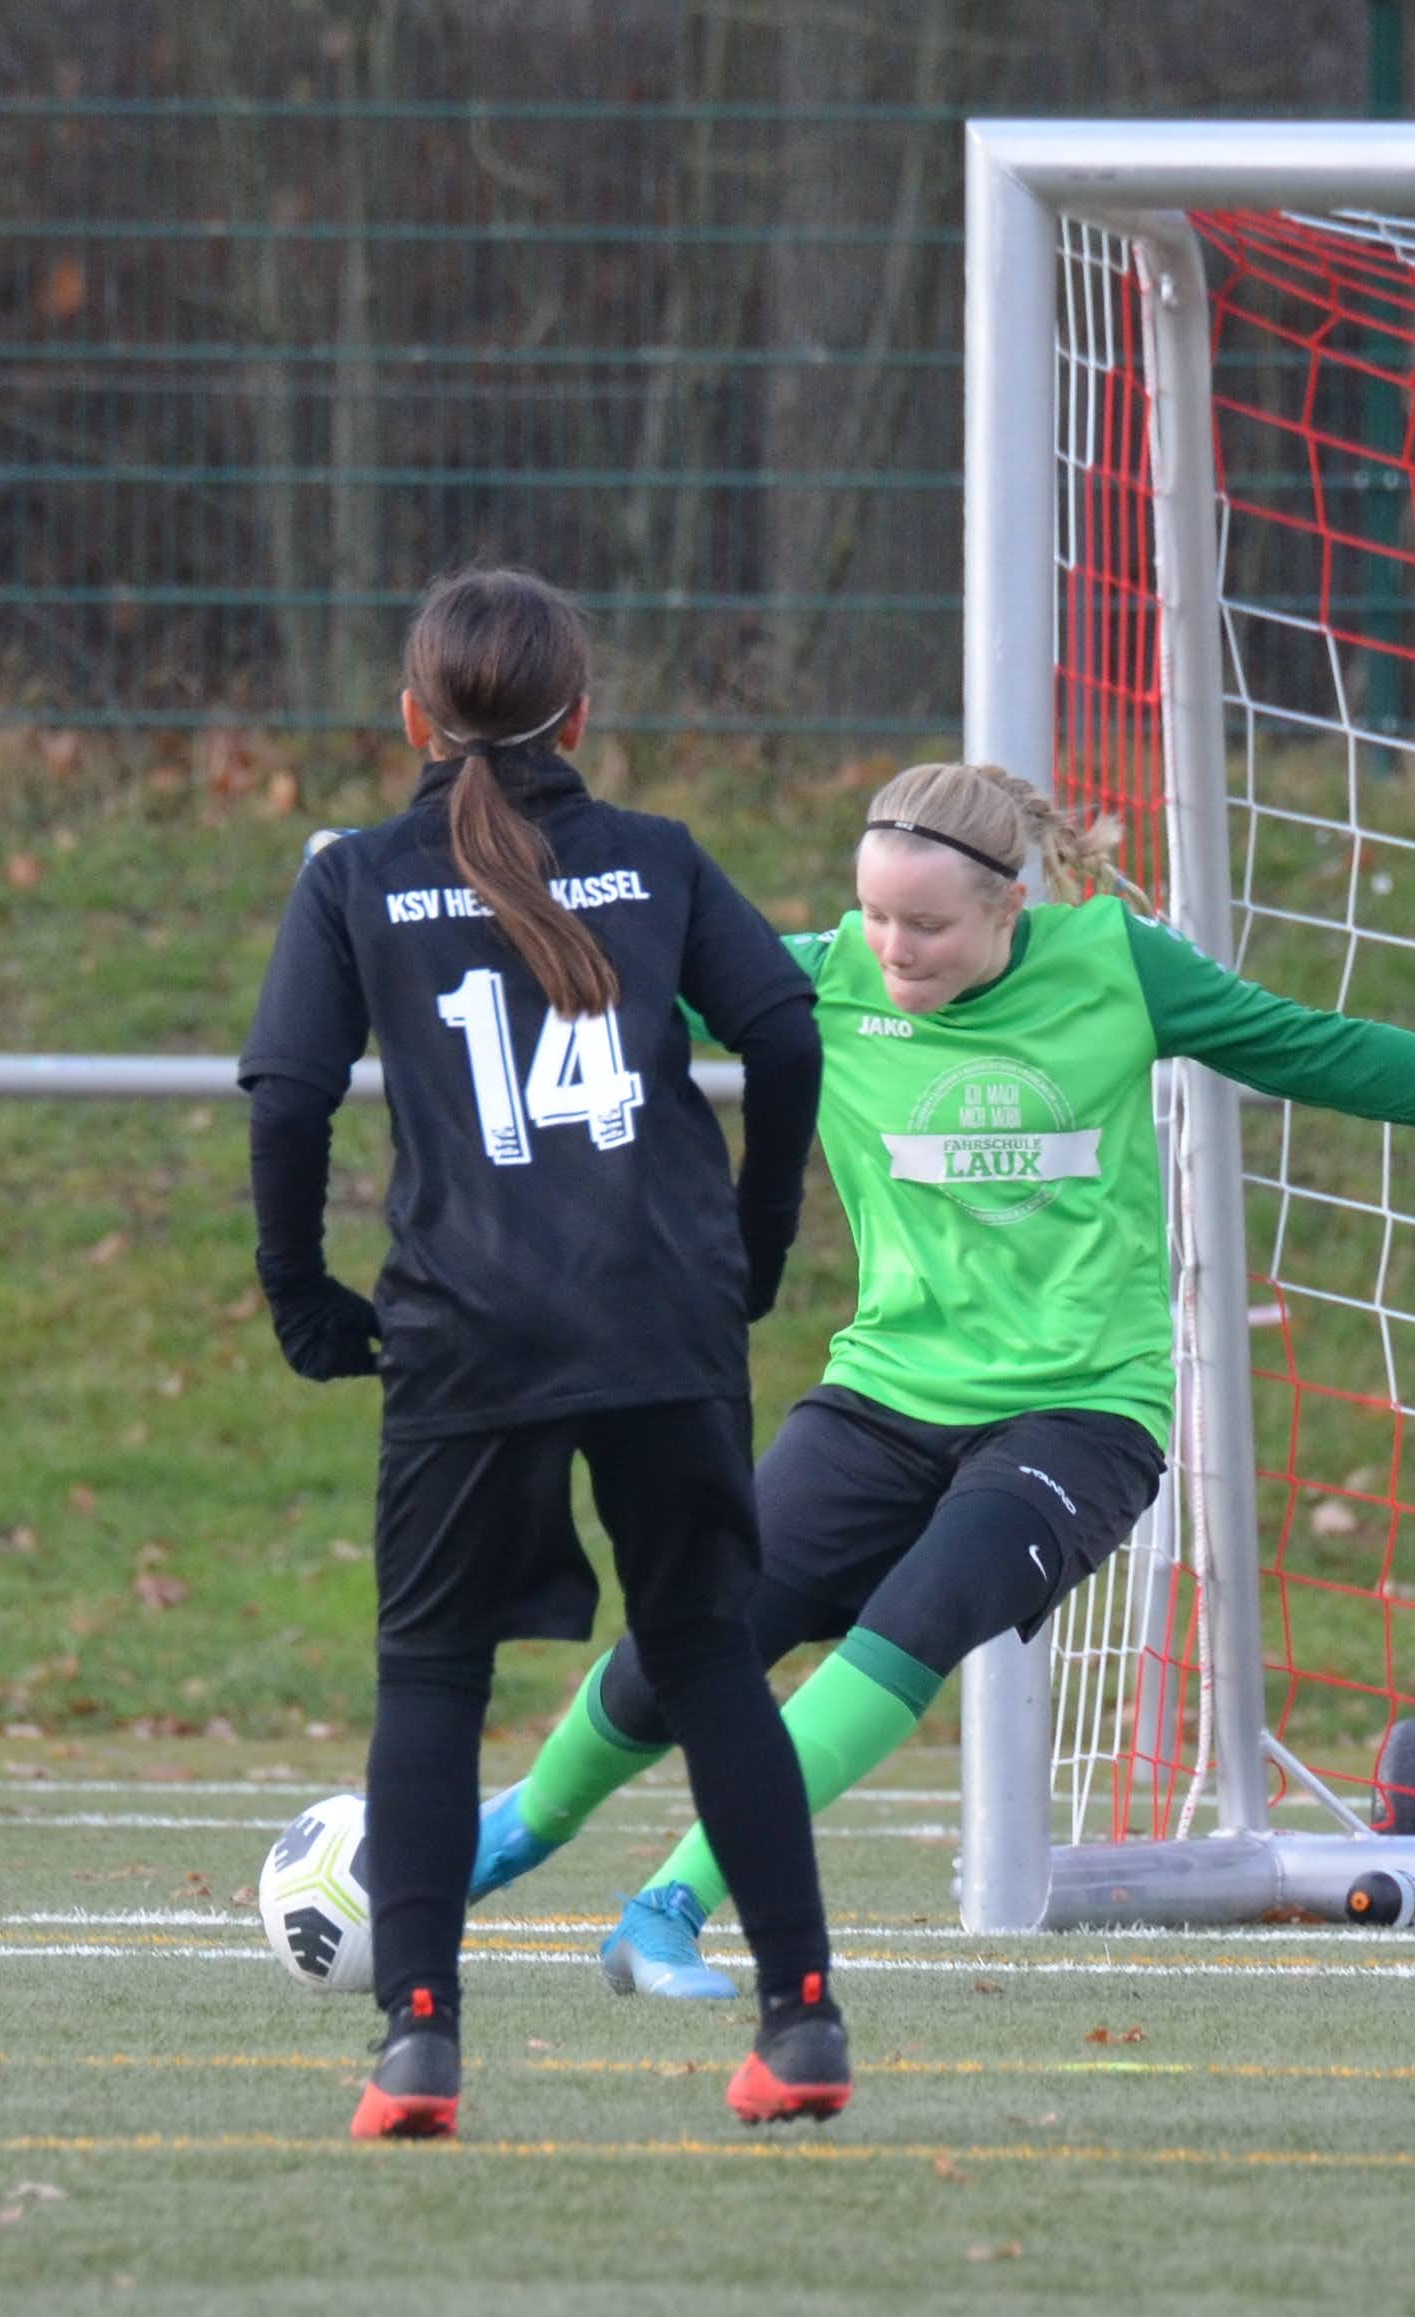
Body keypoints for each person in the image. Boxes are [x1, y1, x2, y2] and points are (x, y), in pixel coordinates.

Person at [474, 760, 1415, 1997]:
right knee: (691, 1638)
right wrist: (425, 913)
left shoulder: (1116, 962)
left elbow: (1317, 1051)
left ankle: (666, 1908)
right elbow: (600, 977)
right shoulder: (821, 977)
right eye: (877, 918)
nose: (892, 947)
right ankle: (496, 1840)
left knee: (908, 1632)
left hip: (1079, 1418)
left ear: (1010, 905)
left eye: (928, 925)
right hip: (882, 1398)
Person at [238, 569, 848, 2133]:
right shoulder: (654, 860)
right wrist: (754, 1246)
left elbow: (290, 1092)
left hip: (469, 1328)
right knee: (712, 1658)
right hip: (661, 1316)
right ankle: (803, 2024)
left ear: (411, 722)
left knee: (431, 1675)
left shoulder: (357, 877)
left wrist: (301, 1292)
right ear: (585, 716)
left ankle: (420, 2044)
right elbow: (785, 1033)